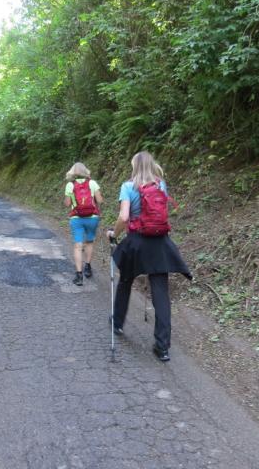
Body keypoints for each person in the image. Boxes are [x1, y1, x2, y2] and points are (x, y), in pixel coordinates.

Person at [107, 151, 191, 362]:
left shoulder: (128, 187)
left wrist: (113, 233)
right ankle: (162, 347)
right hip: (159, 242)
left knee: (125, 281)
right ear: (153, 165)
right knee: (160, 291)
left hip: (136, 241)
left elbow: (124, 217)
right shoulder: (160, 185)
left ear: (134, 166)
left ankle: (117, 323)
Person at [64, 162, 104, 286]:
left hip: (77, 218)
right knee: (89, 242)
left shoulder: (70, 185)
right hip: (92, 218)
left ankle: (79, 275)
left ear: (73, 172)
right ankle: (88, 267)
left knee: (78, 245)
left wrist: (71, 198)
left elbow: (67, 203)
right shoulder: (92, 183)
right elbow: (100, 200)